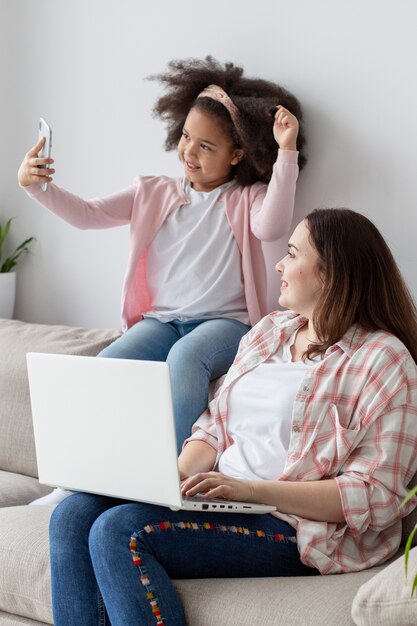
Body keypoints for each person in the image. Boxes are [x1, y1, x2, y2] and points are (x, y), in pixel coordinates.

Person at [49, 208, 417, 626]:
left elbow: (375, 495)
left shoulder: (383, 360)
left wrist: (252, 491)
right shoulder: (270, 330)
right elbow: (214, 425)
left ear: (330, 274)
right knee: (71, 514)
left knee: (120, 532)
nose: (279, 263)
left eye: (292, 254)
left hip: (293, 525)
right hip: (221, 498)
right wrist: (171, 482)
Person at [18, 56, 306, 454]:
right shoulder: (151, 191)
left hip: (226, 323)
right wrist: (38, 187)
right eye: (187, 137)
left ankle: (173, 474)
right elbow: (88, 215)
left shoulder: (245, 198)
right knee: (109, 364)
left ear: (236, 154)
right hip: (162, 321)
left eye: (206, 146)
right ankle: (79, 474)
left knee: (186, 358)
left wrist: (285, 152)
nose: (189, 151)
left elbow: (271, 227)